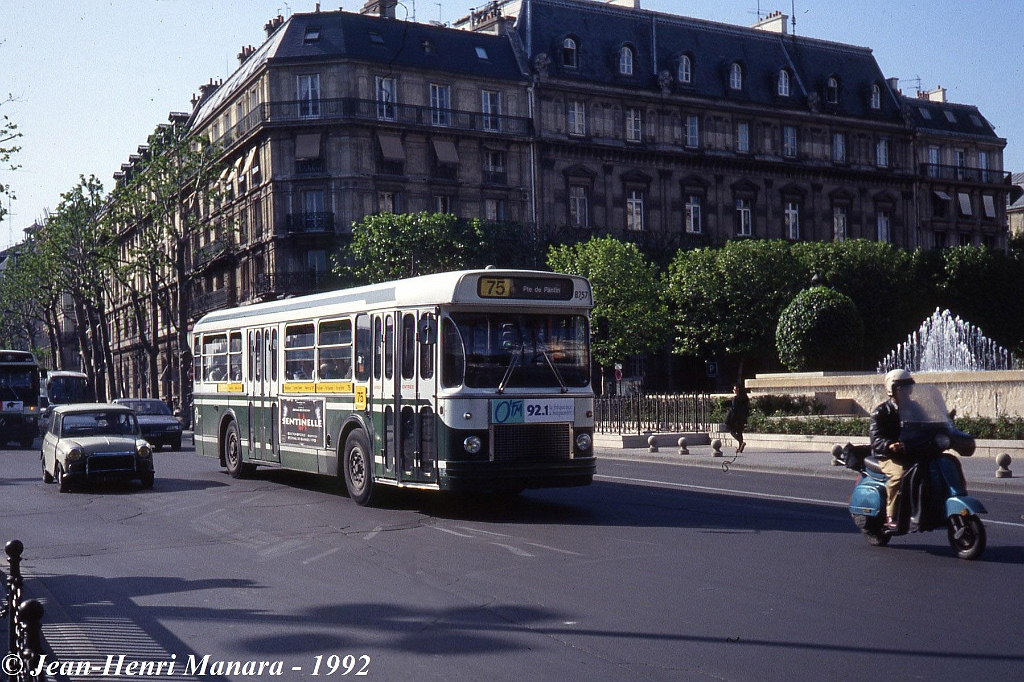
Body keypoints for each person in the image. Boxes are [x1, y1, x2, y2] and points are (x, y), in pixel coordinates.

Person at [870, 368, 915, 532]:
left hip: (910, 451)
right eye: (902, 388)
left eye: (908, 388)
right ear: (893, 389)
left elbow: (926, 424)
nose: (906, 392)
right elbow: (876, 439)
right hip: (888, 456)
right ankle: (891, 515)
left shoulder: (914, 408)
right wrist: (890, 445)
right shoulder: (881, 412)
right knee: (900, 475)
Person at [726, 383, 750, 453]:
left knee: (731, 430)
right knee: (739, 432)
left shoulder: (736, 399)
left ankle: (740, 442)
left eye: (734, 389)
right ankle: (740, 448)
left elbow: (734, 409)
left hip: (735, 418)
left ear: (738, 390)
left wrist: (730, 419)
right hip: (742, 417)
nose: (733, 390)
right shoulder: (745, 398)